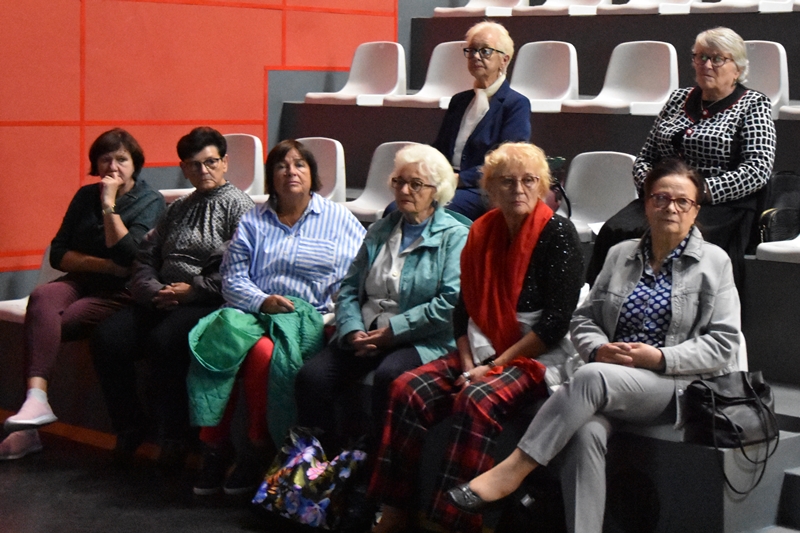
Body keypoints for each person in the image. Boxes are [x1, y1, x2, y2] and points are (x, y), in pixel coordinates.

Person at [448, 158, 741, 533]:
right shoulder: (620, 254)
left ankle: (512, 471)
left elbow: (724, 343)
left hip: (676, 386)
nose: (671, 208)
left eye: (682, 201)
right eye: (661, 198)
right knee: (584, 434)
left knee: (591, 377)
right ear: (646, 203)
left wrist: (659, 357)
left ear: (696, 209)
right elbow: (584, 319)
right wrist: (599, 348)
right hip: (614, 381)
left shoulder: (714, 262)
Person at [369, 142, 584, 533]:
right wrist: (469, 364)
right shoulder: (481, 230)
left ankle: (456, 522)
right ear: (490, 187)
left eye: (528, 180)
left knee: (476, 399)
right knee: (406, 390)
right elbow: (463, 309)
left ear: (541, 186)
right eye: (507, 181)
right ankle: (396, 508)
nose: (518, 189)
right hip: (481, 346)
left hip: (536, 354)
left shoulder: (558, 233)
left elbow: (554, 325)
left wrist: (492, 367)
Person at [189, 139, 365, 496]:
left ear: (312, 174)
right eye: (282, 166)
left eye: (299, 164)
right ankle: (215, 446)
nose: (291, 172)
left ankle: (257, 447)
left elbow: (358, 274)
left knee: (263, 354)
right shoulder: (253, 220)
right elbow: (233, 277)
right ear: (271, 176)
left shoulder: (339, 219)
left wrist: (340, 308)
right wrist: (261, 301)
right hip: (254, 311)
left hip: (309, 318)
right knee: (216, 340)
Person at [90, 127, 255, 469]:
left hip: (208, 300)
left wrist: (194, 289)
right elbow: (145, 256)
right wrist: (153, 291)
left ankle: (177, 437)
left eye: (211, 162)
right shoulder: (178, 207)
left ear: (225, 162)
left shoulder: (240, 207)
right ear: (184, 168)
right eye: (194, 165)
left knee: (164, 341)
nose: (203, 170)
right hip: (162, 296)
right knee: (107, 337)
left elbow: (238, 267)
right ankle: (130, 427)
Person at [0, 129, 165, 460]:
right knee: (42, 298)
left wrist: (108, 205)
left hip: (121, 292)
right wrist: (105, 265)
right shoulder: (83, 195)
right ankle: (36, 401)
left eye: (121, 159)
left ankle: (30, 430)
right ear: (96, 164)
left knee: (46, 325)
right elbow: (59, 253)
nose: (113, 166)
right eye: (105, 159)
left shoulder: (150, 200)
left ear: (135, 164)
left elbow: (128, 254)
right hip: (82, 281)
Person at [294, 144, 469, 452]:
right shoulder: (380, 229)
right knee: (312, 378)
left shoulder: (455, 236)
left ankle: (375, 461)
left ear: (436, 191)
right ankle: (324, 461)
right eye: (399, 181)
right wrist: (352, 330)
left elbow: (449, 303)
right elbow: (349, 288)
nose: (404, 190)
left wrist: (393, 332)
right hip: (367, 331)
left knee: (390, 376)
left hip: (422, 338)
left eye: (416, 184)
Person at [586, 27, 776, 289]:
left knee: (674, 237)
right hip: (663, 196)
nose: (706, 65)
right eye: (701, 57)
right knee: (615, 230)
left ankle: (668, 304)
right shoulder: (678, 98)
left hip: (718, 204)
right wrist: (653, 187)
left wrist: (700, 191)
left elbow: (757, 169)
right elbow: (645, 157)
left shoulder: (753, 104)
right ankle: (607, 303)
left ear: (738, 69)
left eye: (717, 59)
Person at [385, 21, 531, 221]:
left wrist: (460, 179)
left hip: (480, 189)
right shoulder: (459, 101)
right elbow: (440, 148)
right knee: (394, 209)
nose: (476, 56)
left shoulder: (516, 104)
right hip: (445, 182)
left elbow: (508, 162)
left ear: (504, 60)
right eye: (471, 51)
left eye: (485, 51)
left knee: (430, 212)